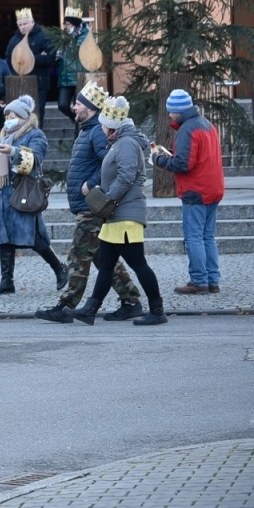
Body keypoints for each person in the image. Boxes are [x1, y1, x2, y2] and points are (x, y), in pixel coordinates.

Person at [37, 83, 143, 323]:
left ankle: (65, 307)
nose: (74, 107)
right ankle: (131, 300)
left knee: (78, 255)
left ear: (91, 108)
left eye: (78, 103)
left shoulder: (96, 131)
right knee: (101, 257)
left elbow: (110, 162)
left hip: (91, 206)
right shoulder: (88, 129)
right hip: (87, 205)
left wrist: (92, 183)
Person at [67, 96, 168, 326]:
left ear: (111, 126)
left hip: (125, 216)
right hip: (115, 216)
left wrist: (107, 197)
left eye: (103, 124)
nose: (101, 128)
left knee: (139, 264)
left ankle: (157, 310)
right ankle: (90, 309)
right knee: (105, 265)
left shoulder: (126, 143)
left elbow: (126, 176)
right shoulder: (120, 142)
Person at [0, 95, 67, 295]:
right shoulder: (4, 135)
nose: (8, 120)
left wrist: (13, 151)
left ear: (23, 117)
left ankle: (59, 269)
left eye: (12, 115)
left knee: (34, 237)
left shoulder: (35, 134)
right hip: (4, 193)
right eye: (6, 116)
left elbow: (36, 160)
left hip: (24, 191)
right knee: (5, 239)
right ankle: (7, 281)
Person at [153, 88, 225, 295]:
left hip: (196, 190)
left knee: (193, 237)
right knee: (207, 236)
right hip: (213, 188)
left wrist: (159, 160)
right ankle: (212, 280)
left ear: (178, 111)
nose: (169, 115)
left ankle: (198, 281)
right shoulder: (207, 124)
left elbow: (183, 164)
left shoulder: (187, 129)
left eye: (171, 111)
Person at [4, 8, 57, 122]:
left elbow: (50, 58)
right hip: (19, 82)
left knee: (37, 113)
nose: (23, 27)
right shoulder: (14, 40)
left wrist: (30, 59)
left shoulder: (43, 37)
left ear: (32, 22)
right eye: (20, 25)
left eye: (25, 24)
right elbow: (9, 59)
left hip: (39, 82)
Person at [56, 7, 90, 121]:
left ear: (75, 24)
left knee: (80, 108)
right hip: (65, 78)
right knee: (62, 105)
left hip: (79, 76)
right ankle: (73, 118)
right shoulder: (64, 37)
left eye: (68, 24)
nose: (66, 27)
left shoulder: (84, 35)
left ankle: (77, 132)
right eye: (65, 24)